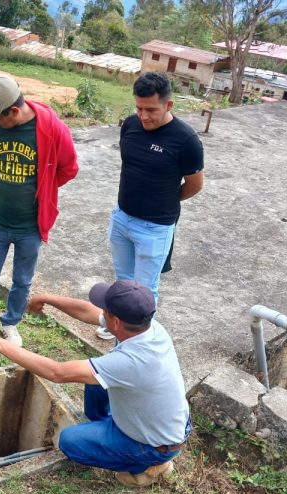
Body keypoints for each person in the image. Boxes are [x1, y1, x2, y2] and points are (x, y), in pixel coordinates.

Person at [0, 280, 191, 487]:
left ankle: (146, 468)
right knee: (96, 380)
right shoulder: (147, 327)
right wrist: (48, 298)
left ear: (117, 322)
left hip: (153, 445)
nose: (101, 312)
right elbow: (87, 311)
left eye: (106, 310)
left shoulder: (131, 361)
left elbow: (57, 372)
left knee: (70, 441)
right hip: (167, 424)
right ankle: (108, 430)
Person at [0, 74, 79, 348]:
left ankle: (10, 323)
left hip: (29, 225)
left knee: (22, 280)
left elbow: (69, 168)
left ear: (14, 111)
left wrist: (44, 188)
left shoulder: (52, 129)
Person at [99, 72, 204, 341]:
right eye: (139, 108)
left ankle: (139, 342)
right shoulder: (131, 125)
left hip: (155, 227)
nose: (144, 116)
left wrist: (166, 198)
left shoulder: (186, 140)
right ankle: (116, 326)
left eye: (151, 110)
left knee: (145, 291)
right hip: (122, 218)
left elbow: (195, 184)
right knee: (123, 281)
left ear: (168, 106)